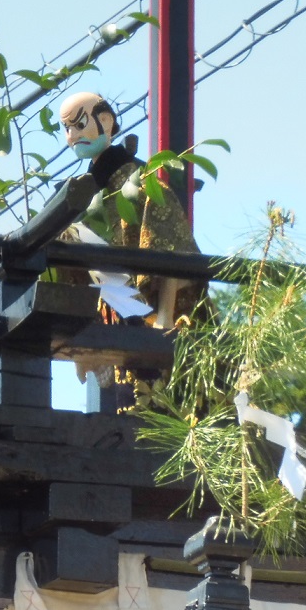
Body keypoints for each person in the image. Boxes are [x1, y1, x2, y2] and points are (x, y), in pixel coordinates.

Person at [57, 93, 202, 399]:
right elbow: (75, 272)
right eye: (66, 129)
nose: (72, 136)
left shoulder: (141, 182)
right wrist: (81, 341)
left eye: (79, 124)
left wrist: (165, 314)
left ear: (105, 121)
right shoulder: (83, 196)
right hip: (115, 319)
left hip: (159, 316)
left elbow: (169, 245)